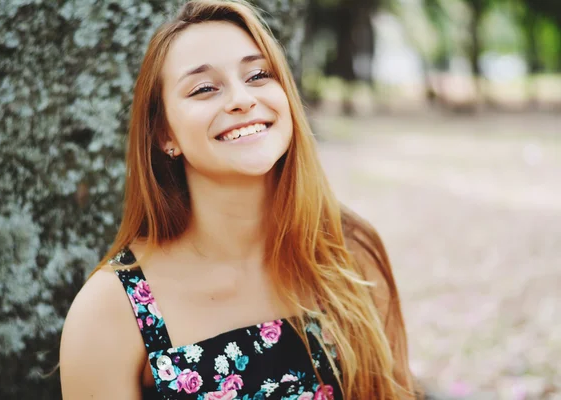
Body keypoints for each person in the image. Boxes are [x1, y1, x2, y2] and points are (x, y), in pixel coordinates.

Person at [60, 0, 417, 398]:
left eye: (259, 75)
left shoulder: (349, 252)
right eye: (204, 88)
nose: (241, 99)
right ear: (165, 135)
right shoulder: (112, 310)